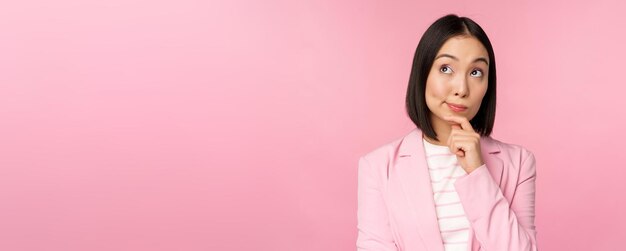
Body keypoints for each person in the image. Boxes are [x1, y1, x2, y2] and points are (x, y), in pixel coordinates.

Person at [356, 14, 538, 251]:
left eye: (476, 72)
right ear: (422, 74)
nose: (461, 89)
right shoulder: (378, 166)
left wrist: (477, 172)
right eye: (446, 68)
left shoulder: (520, 163)